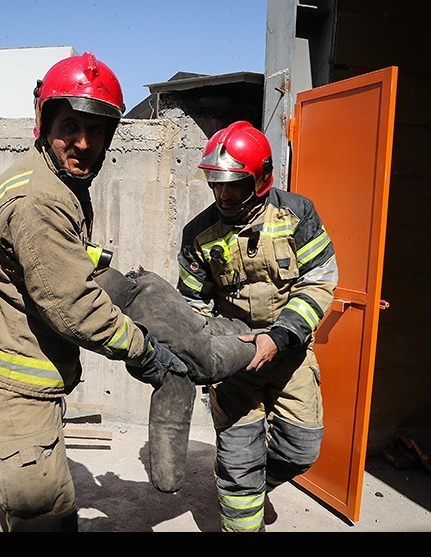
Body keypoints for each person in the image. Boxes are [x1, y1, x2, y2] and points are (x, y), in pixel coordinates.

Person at [0, 52, 187, 532]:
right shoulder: (40, 200)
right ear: (45, 124)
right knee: (46, 513)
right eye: (71, 127)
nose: (83, 143)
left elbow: (50, 263)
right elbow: (74, 309)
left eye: (96, 130)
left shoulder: (54, 179)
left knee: (28, 505)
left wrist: (105, 271)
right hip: (11, 383)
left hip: (19, 369)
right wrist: (145, 352)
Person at [176, 121, 339, 532]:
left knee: (301, 449)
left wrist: (278, 337)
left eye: (234, 184)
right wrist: (203, 355)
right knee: (240, 464)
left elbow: (319, 282)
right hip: (233, 364)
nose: (223, 194)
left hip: (290, 355)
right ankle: (240, 494)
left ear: (260, 179)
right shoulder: (198, 234)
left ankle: (250, 485)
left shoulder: (297, 214)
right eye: (216, 183)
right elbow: (192, 304)